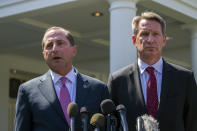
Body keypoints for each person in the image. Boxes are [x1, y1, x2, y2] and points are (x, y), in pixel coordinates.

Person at [107, 11, 197, 131]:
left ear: (164, 40)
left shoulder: (185, 78)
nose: (150, 40)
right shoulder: (117, 81)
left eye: (155, 34)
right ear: (134, 40)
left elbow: (193, 124)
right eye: (144, 34)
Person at [14, 26, 109, 131]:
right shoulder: (27, 91)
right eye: (49, 45)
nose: (54, 49)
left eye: (60, 43)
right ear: (44, 54)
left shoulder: (98, 89)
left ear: (74, 50)